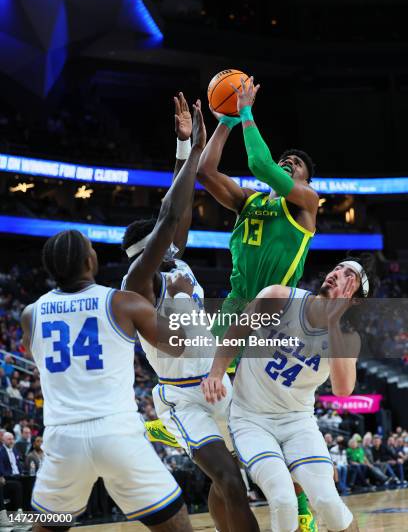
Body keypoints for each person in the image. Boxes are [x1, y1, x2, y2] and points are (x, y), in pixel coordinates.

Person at [121, 95, 259, 532]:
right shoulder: (139, 283)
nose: (172, 245)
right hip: (182, 395)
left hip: (218, 381)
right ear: (148, 253)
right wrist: (181, 301)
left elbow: (175, 211)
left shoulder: (174, 261)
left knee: (233, 482)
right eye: (162, 246)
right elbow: (175, 341)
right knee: (231, 480)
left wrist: (185, 147)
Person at [198, 76, 319, 529]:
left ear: (304, 181)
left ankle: (302, 506)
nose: (287, 167)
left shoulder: (305, 203)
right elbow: (206, 173)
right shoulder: (249, 201)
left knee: (276, 418)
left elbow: (262, 163)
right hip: (235, 306)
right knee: (214, 404)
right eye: (285, 162)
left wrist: (248, 112)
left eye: (296, 166)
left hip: (274, 316)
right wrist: (226, 122)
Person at [20, 230, 195, 532]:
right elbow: (178, 344)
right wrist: (182, 297)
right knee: (175, 524)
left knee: (47, 525)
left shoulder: (29, 314)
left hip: (62, 437)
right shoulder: (122, 303)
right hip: (117, 432)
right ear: (90, 260)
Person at [202, 257, 376, 532]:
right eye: (338, 268)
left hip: (297, 422)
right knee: (283, 499)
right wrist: (216, 372)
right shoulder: (279, 298)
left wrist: (332, 322)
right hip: (251, 419)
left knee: (329, 503)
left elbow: (343, 389)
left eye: (349, 276)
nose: (337, 274)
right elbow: (237, 330)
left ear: (354, 298)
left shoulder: (348, 338)